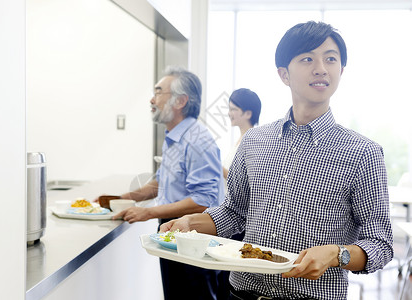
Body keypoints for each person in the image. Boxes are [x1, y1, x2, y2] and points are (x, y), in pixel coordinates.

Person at [160, 21, 394, 300]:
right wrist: (191, 223)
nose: (321, 67)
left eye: (331, 59)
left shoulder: (363, 153)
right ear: (284, 74)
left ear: (341, 70)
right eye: (307, 58)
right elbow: (234, 212)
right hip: (241, 293)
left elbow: (380, 244)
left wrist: (337, 254)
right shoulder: (254, 141)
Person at [110, 66, 225, 300]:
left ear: (181, 101)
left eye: (159, 92)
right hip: (173, 233)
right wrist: (123, 199)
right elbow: (160, 183)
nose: (152, 100)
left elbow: (204, 201)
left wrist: (148, 212)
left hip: (193, 237)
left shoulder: (197, 140)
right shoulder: (174, 137)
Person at [222, 88, 261, 179]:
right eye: (229, 109)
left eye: (233, 109)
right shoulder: (239, 141)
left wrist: (217, 166)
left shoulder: (253, 143)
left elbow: (242, 181)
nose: (229, 113)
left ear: (248, 114)